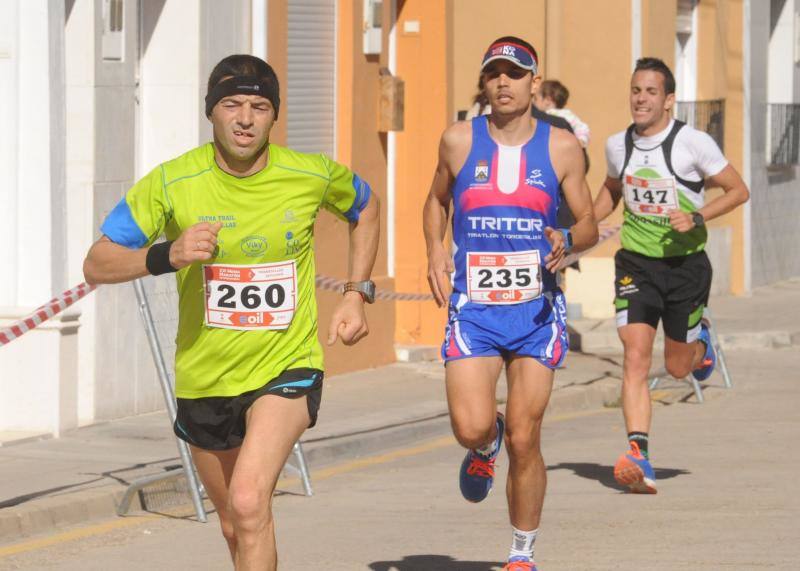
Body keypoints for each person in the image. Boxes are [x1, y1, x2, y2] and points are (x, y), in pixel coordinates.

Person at [83, 54, 380, 570]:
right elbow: (97, 263)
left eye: (259, 106)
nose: (245, 118)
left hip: (287, 366)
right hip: (205, 376)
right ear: (211, 112)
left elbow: (366, 206)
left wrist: (356, 292)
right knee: (234, 523)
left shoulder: (308, 174)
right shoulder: (174, 182)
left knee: (248, 502)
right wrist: (166, 255)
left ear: (274, 115)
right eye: (232, 105)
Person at [423, 36, 597, 570]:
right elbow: (435, 201)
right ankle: (483, 444)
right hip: (474, 306)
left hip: (536, 311)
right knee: (471, 426)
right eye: (494, 73)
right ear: (485, 82)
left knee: (527, 435)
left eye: (515, 73)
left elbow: (589, 221)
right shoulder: (457, 141)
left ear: (534, 83)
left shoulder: (562, 146)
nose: (503, 82)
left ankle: (522, 554)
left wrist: (569, 241)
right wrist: (435, 250)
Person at [593, 57, 749, 494]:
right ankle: (637, 453)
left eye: (650, 92)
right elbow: (611, 190)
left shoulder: (693, 143)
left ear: (668, 99)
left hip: (685, 268)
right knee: (635, 354)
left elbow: (739, 190)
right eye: (635, 90)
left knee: (679, 367)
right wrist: (582, 222)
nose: (640, 99)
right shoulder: (616, 145)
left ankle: (701, 346)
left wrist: (697, 216)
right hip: (637, 264)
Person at [532, 80, 591, 149]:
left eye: (535, 99)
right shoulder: (566, 115)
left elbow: (582, 128)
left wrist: (580, 142)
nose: (533, 102)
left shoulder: (565, 115)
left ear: (548, 100)